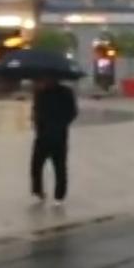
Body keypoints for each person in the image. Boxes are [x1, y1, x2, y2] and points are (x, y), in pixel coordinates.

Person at [30, 76, 78, 205]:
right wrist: (36, 121)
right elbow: (36, 111)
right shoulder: (40, 93)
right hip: (42, 135)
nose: (45, 81)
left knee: (59, 167)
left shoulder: (66, 92)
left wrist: (61, 124)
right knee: (36, 165)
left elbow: (72, 112)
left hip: (59, 135)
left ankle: (59, 195)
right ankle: (38, 190)